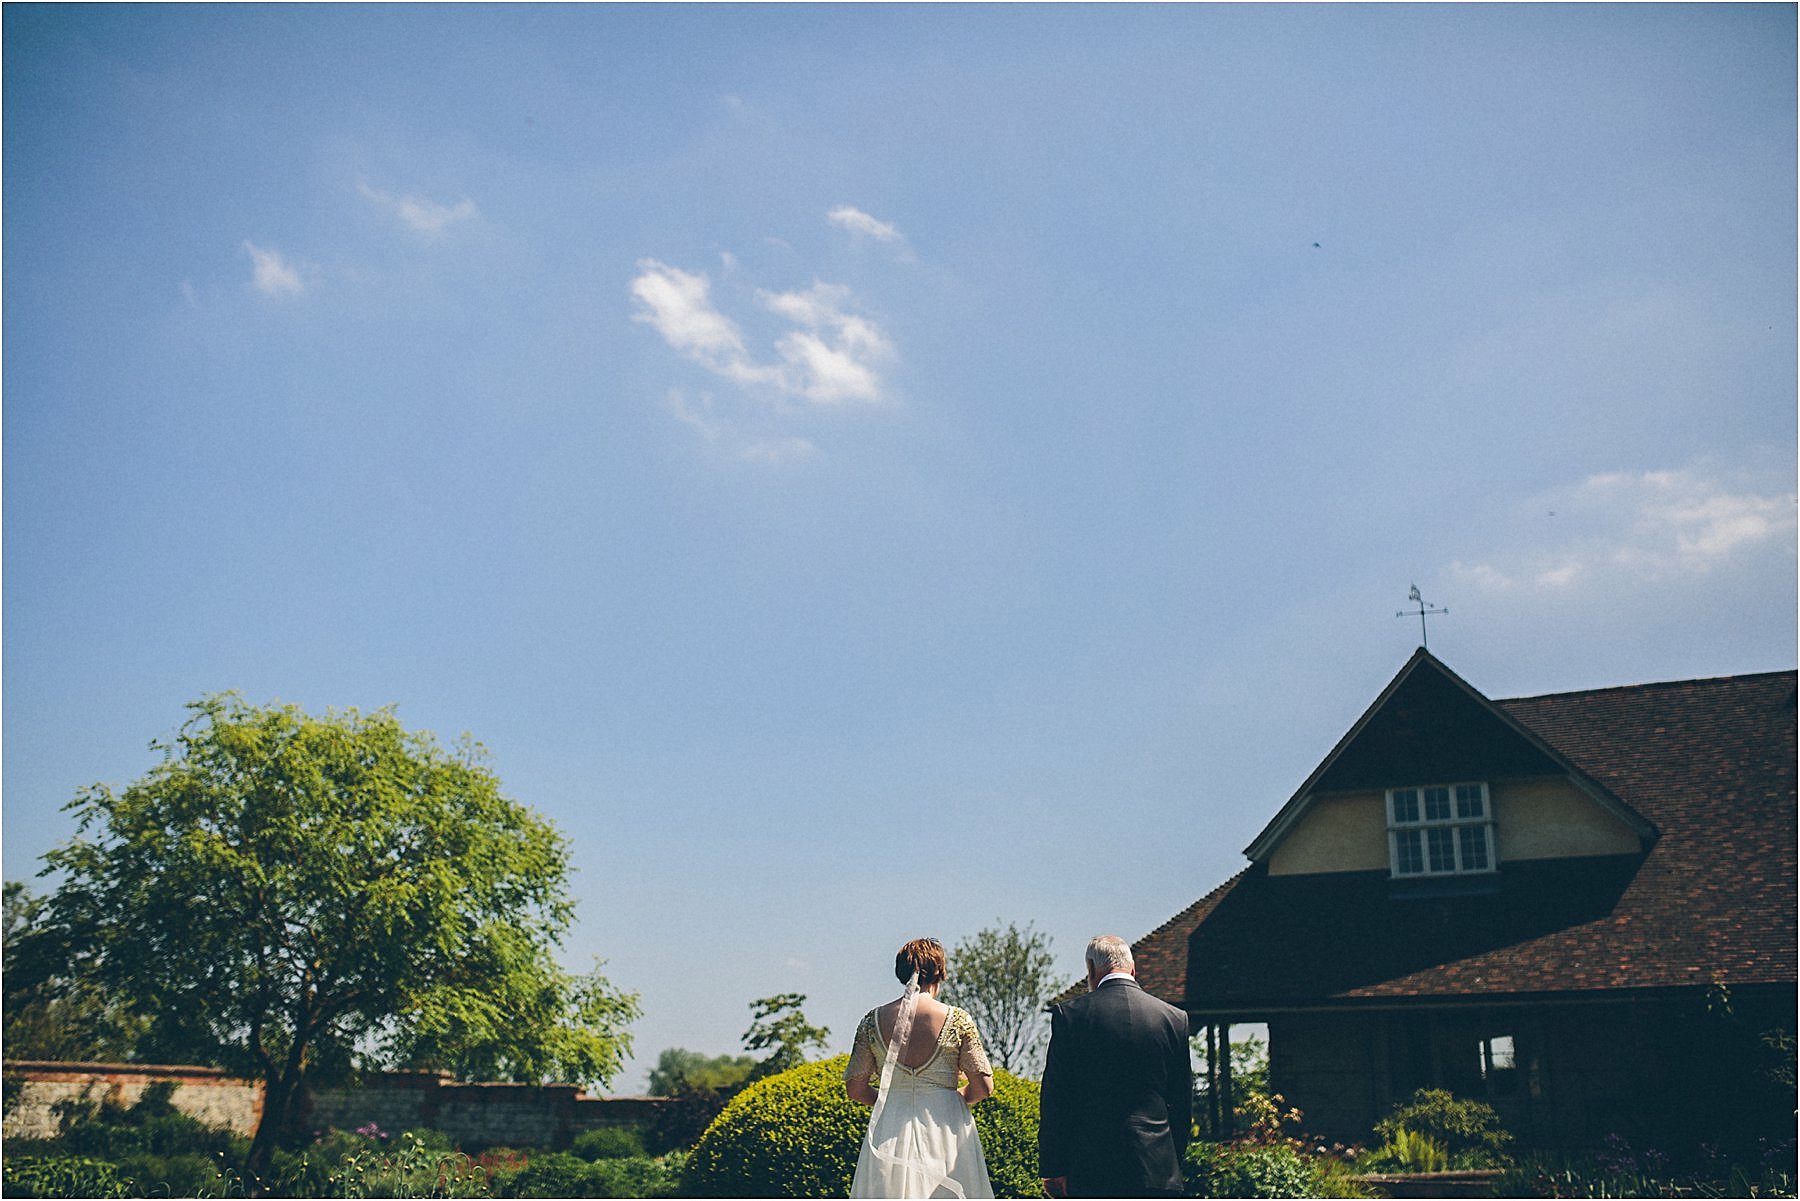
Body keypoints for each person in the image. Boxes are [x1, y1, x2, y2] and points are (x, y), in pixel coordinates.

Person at [1039, 935, 1191, 1199]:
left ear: (1091, 969)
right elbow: (1181, 1101)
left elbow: (1056, 1098)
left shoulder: (1071, 1016)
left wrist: (1053, 1167)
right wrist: (1172, 1162)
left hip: (1092, 1167)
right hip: (1158, 1168)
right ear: (1133, 969)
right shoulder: (1173, 1019)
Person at [845, 937, 997, 1198]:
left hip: (890, 1127)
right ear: (939, 971)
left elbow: (855, 1088)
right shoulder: (957, 1020)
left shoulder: (872, 1021)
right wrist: (958, 1096)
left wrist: (892, 1100)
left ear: (902, 972)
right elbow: (983, 1086)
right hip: (945, 1126)